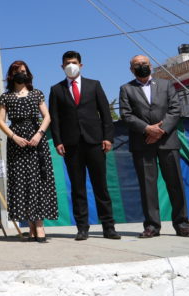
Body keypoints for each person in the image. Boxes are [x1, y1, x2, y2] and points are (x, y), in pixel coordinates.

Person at [119, 54, 189, 238]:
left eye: (144, 63)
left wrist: (160, 131)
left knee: (175, 183)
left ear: (150, 66)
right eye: (137, 64)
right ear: (131, 69)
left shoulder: (166, 84)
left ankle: (182, 224)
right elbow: (126, 115)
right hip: (142, 144)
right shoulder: (126, 89)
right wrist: (147, 129)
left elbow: (175, 109)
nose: (141, 66)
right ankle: (152, 226)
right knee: (148, 187)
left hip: (167, 142)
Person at [49, 51, 121, 241]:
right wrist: (58, 141)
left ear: (81, 65)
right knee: (77, 188)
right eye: (66, 63)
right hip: (71, 145)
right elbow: (54, 119)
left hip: (95, 142)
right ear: (61, 67)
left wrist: (108, 138)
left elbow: (106, 113)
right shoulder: (56, 90)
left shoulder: (94, 85)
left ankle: (109, 227)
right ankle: (82, 228)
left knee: (101, 187)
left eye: (73, 62)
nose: (70, 65)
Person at [0, 60, 57, 243]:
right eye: (17, 71)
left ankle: (39, 226)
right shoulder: (6, 97)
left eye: (23, 71)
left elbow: (47, 116)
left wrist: (39, 134)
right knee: (21, 183)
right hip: (17, 143)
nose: (21, 74)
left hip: (36, 141)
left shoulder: (36, 93)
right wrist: (14, 137)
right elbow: (0, 121)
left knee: (38, 181)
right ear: (11, 75)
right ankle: (30, 226)